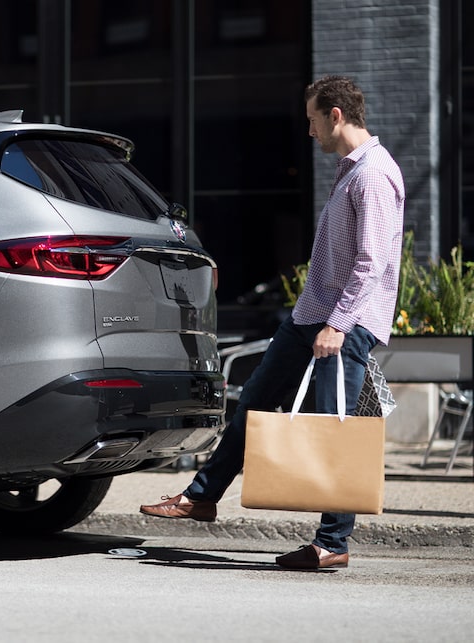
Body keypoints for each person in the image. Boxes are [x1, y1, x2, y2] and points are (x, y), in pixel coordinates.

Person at [140, 75, 405, 570]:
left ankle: (333, 542)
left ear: (335, 116)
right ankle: (202, 496)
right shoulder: (350, 170)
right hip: (311, 316)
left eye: (312, 121)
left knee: (333, 427)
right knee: (256, 404)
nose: (310, 132)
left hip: (341, 324)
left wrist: (340, 324)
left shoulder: (372, 174)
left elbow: (371, 262)